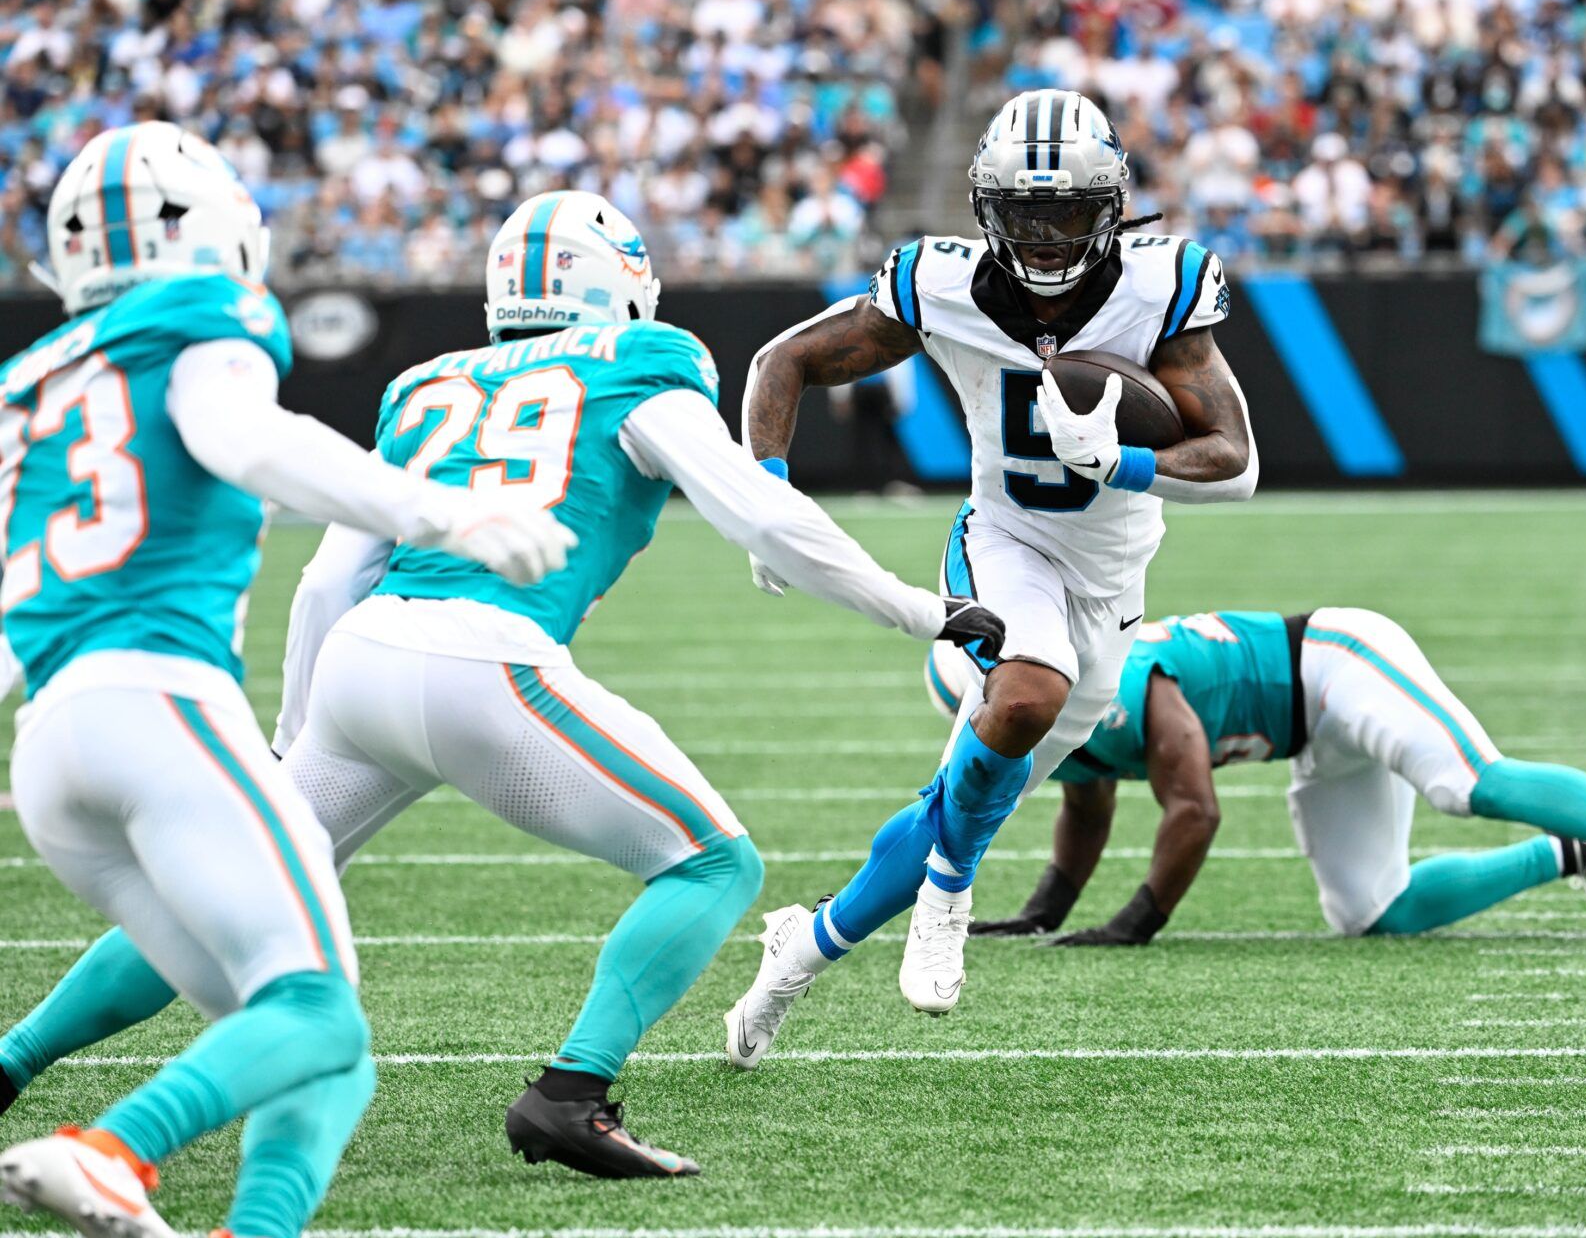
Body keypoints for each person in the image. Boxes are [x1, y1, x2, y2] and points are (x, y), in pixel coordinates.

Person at [0, 190, 1006, 1179]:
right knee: (714, 865)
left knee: (216, 898)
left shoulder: (429, 385)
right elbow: (767, 516)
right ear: (617, 284)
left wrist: (291, 735)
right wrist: (919, 609)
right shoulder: (640, 362)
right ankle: (572, 1092)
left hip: (360, 662)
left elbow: (328, 581)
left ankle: (11, 1062)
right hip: (485, 664)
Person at [0, 123, 575, 1238]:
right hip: (158, 708)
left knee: (317, 1046)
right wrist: (441, 510)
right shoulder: (202, 313)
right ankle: (110, 1150)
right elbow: (246, 438)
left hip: (53, 748)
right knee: (314, 1009)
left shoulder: (31, 379)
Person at [725, 89, 1259, 1067]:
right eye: (1024, 214)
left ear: (1111, 206)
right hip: (1005, 541)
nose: (1046, 239)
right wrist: (767, 498)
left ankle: (796, 953)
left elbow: (1236, 460)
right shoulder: (943, 283)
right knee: (1022, 696)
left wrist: (1124, 460)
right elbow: (781, 360)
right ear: (984, 209)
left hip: (1112, 582)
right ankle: (950, 895)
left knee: (955, 805)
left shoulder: (1162, 285)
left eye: (1068, 212)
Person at [941, 610, 1586, 949]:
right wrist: (1043, 913)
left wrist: (1135, 923)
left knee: (1464, 782)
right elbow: (1087, 805)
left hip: (1334, 662)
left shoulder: (1119, 686)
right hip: (1313, 736)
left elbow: (1195, 809)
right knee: (1373, 912)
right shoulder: (1064, 717)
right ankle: (1575, 851)